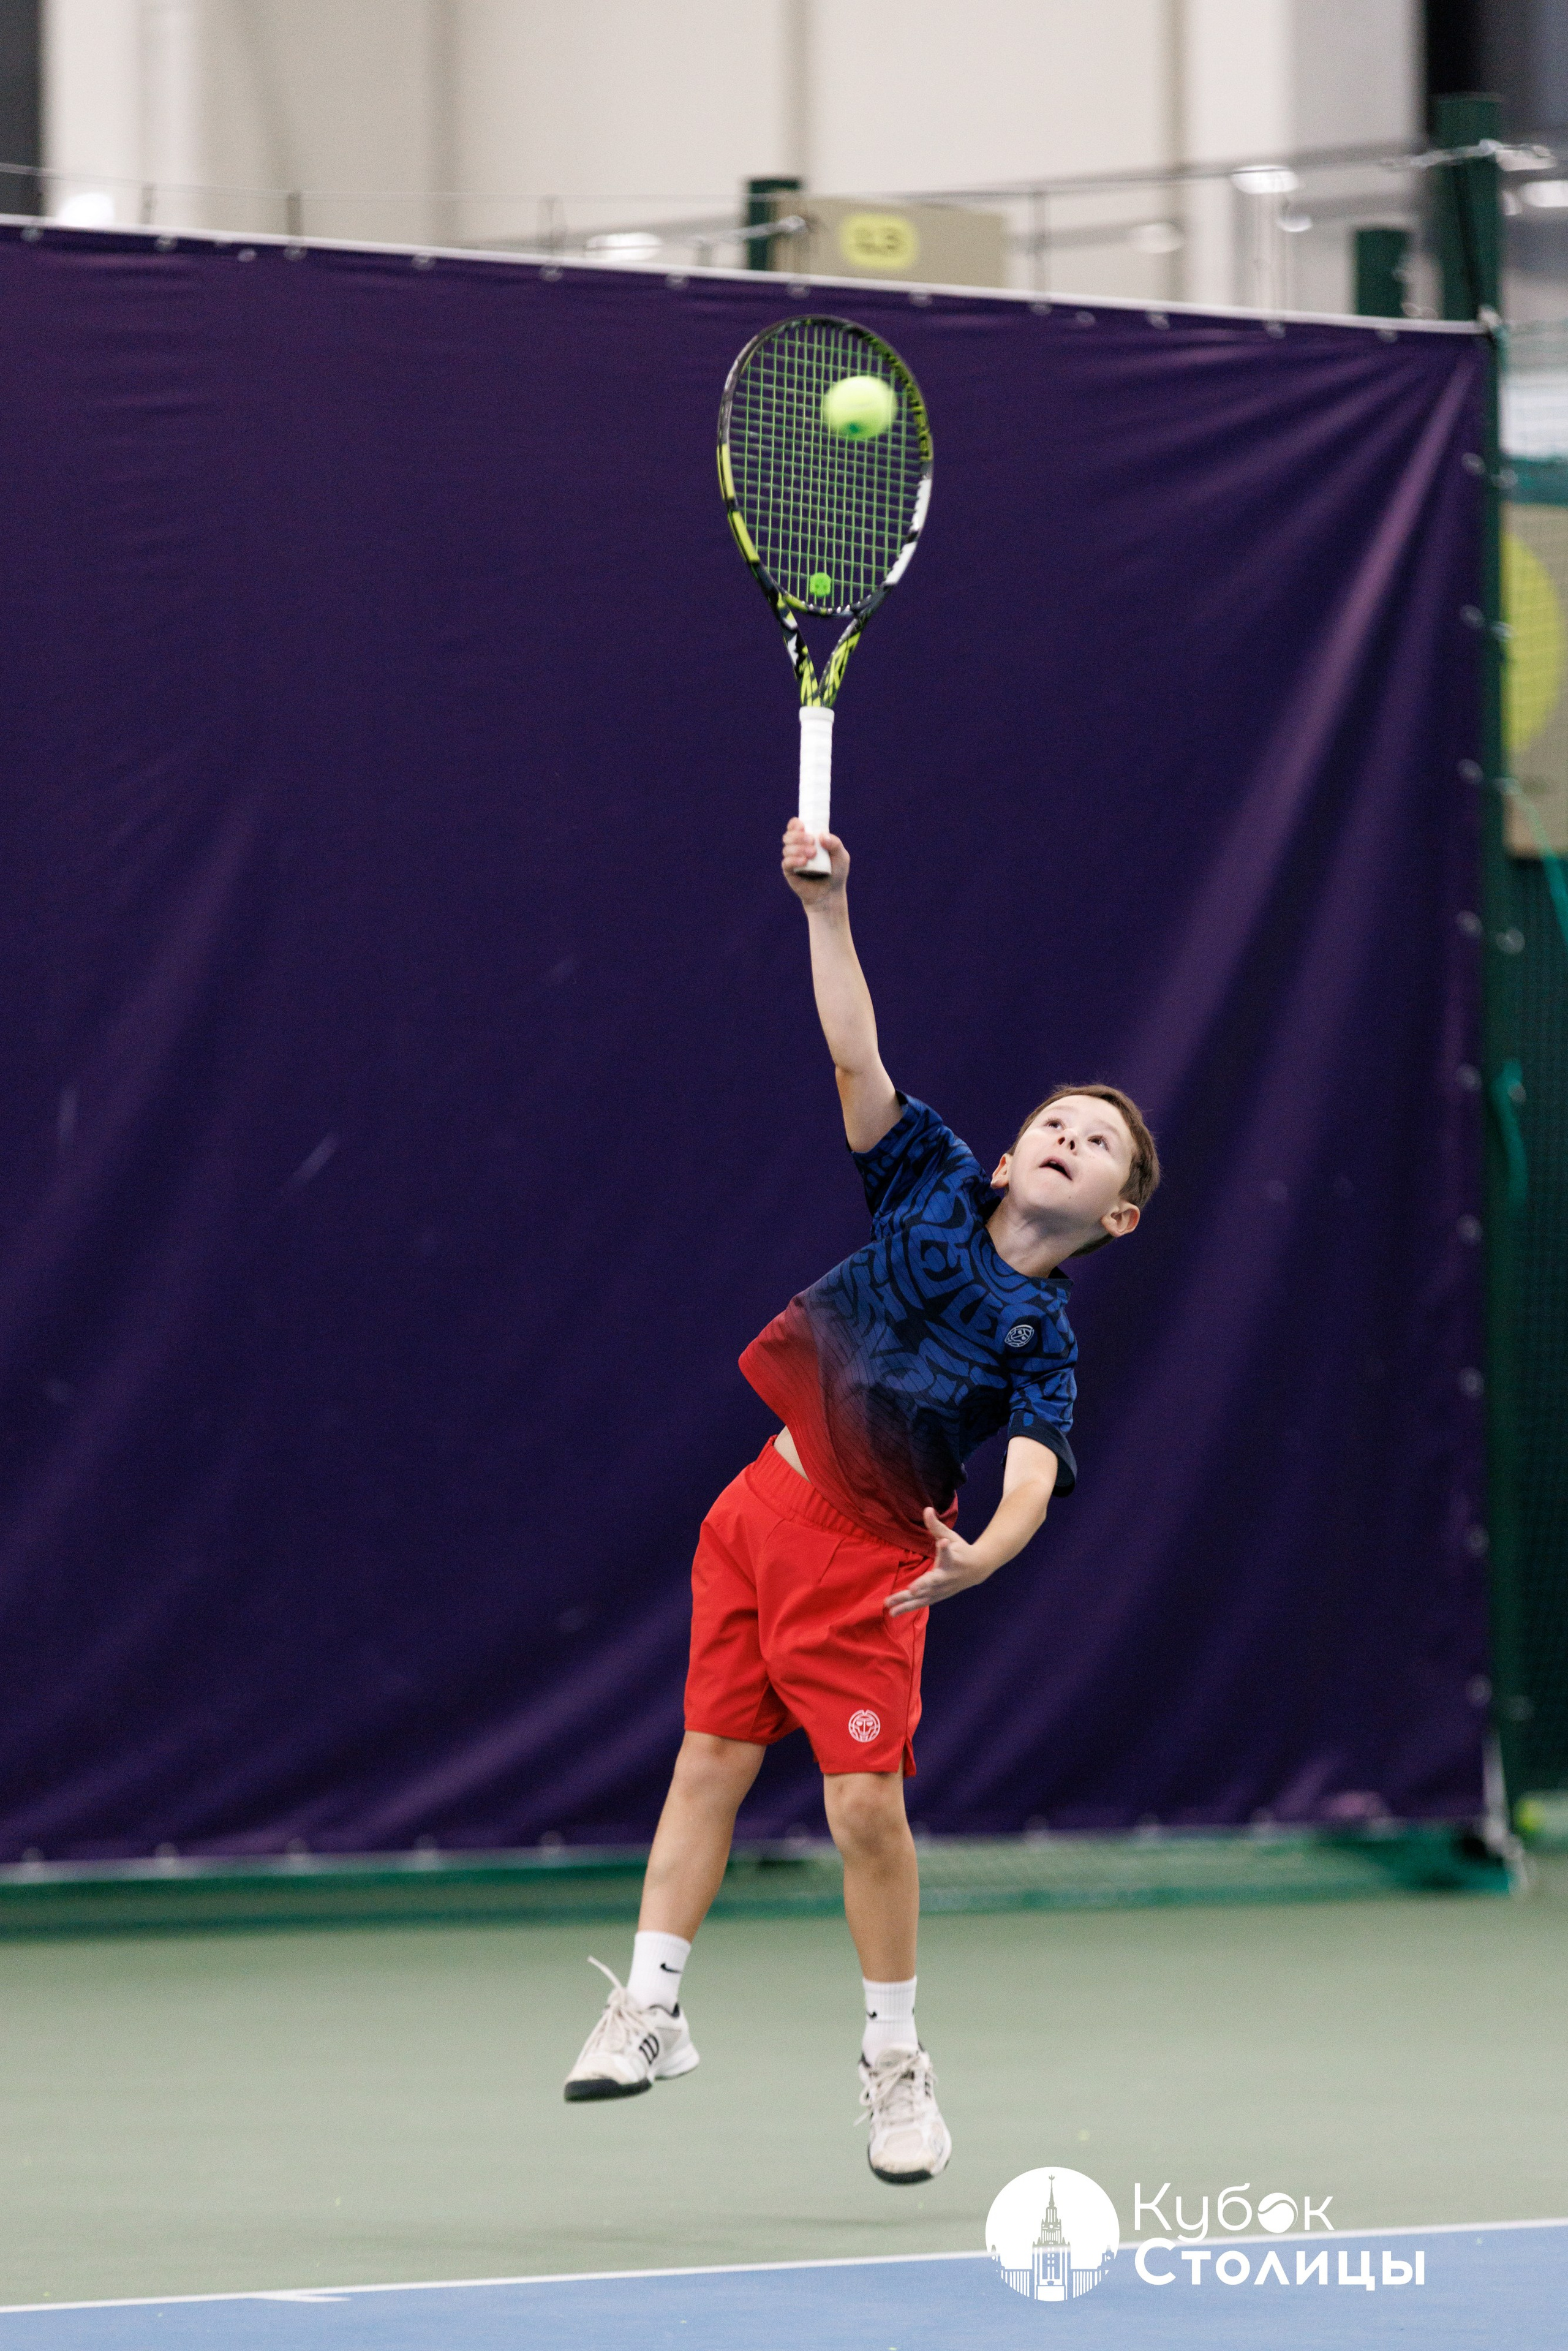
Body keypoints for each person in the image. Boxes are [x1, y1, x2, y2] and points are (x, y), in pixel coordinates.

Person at [564, 818, 1159, 2182]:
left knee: (861, 1814)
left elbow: (1023, 1478)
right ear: (1007, 1161)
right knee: (706, 1761)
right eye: (1053, 1122)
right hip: (756, 1509)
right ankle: (650, 2004)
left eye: (1100, 1143)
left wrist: (980, 1562)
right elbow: (854, 1053)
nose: (1067, 1136)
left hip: (870, 1560)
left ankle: (895, 2060)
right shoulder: (929, 1178)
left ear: (1115, 1216)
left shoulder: (1040, 1337)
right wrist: (825, 913)